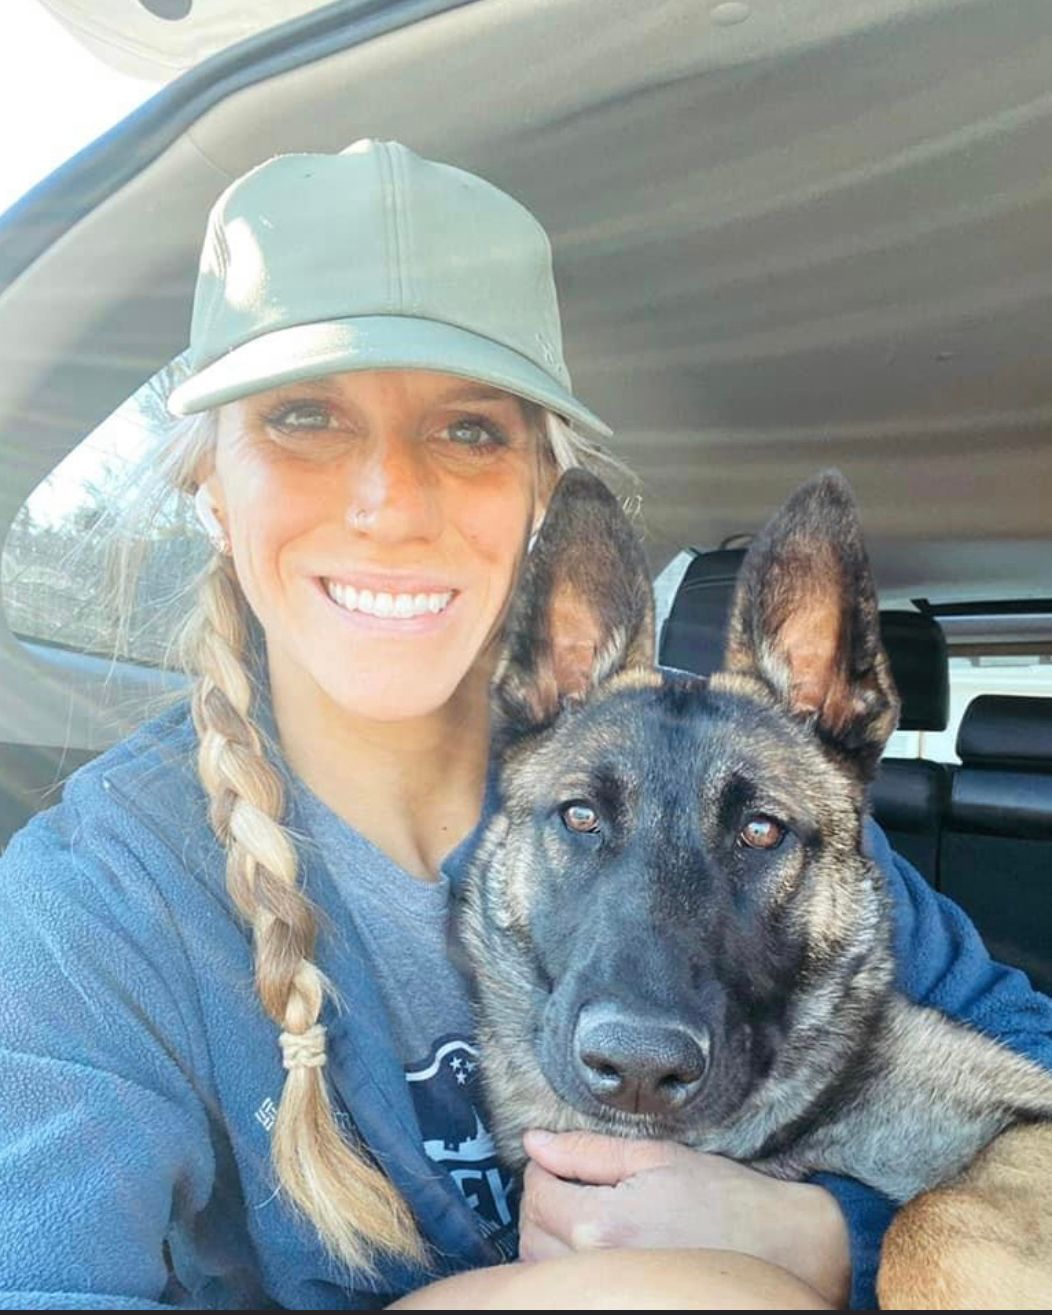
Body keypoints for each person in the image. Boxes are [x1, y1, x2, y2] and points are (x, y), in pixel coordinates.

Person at [0, 139, 1049, 1312]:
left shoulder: (744, 804)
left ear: (541, 492)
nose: (387, 501)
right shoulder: (93, 912)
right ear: (208, 483)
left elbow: (1033, 1090)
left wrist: (824, 1240)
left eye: (467, 430)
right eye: (304, 417)